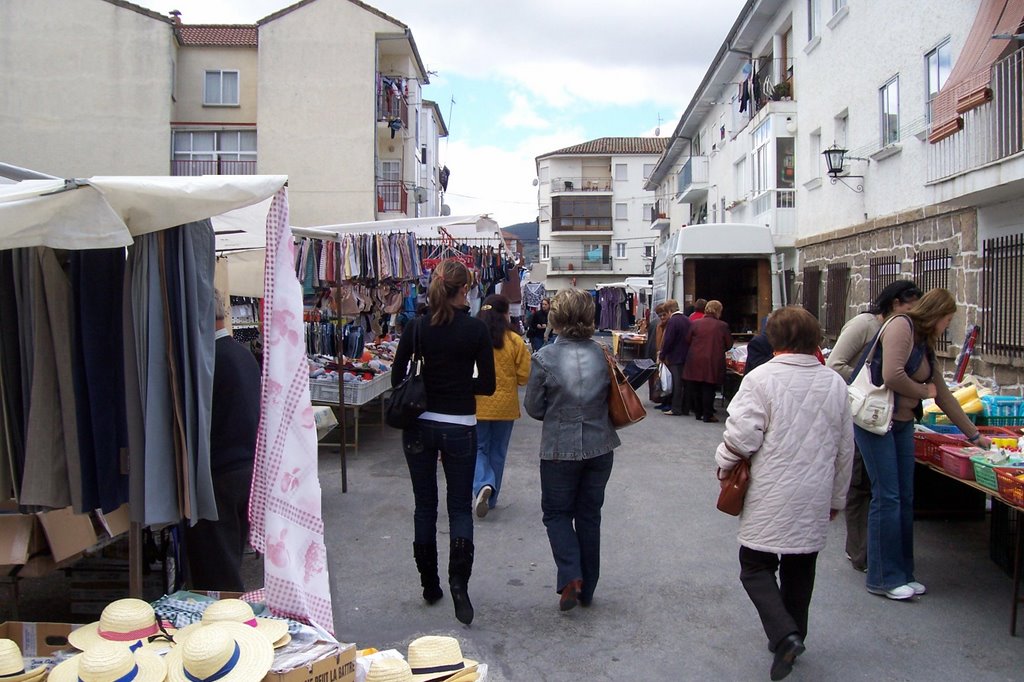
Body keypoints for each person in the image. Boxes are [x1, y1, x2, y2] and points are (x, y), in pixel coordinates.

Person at [715, 306, 854, 681]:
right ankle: (792, 635)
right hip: (815, 487)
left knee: (755, 564)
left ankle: (784, 634)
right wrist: (837, 499)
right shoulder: (835, 384)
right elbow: (845, 449)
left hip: (770, 485)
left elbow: (743, 436)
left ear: (774, 338)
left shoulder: (761, 378)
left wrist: (724, 462)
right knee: (800, 565)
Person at [853, 288, 991, 601]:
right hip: (877, 423)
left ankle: (903, 572)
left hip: (901, 424)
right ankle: (881, 577)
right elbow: (892, 375)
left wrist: (973, 435)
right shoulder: (902, 326)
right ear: (937, 314)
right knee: (886, 497)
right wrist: (922, 391)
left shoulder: (924, 340)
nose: (948, 326)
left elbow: (942, 392)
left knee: (904, 497)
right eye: (948, 319)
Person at [391, 259, 496, 624]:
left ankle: (429, 583)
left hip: (419, 425)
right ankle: (458, 585)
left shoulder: (417, 328)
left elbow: (396, 377)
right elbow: (487, 385)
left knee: (424, 506)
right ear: (463, 289)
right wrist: (457, 386)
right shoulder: (476, 331)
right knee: (460, 509)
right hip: (460, 426)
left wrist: (429, 386)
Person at [524, 289, 620, 611]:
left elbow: (535, 408)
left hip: (558, 449)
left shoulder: (544, 358)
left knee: (556, 514)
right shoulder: (603, 353)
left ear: (556, 317)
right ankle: (587, 589)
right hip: (600, 446)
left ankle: (570, 575)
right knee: (589, 517)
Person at [827, 280, 922, 573]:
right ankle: (859, 550)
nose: (914, 314)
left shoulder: (906, 331)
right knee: (860, 483)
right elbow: (834, 364)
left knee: (879, 488)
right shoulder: (864, 326)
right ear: (895, 303)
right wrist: (871, 380)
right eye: (910, 307)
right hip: (863, 413)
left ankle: (873, 550)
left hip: (889, 417)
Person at [185, 291, 261, 593]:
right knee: (229, 556)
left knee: (218, 567)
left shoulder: (208, 361)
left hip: (219, 473)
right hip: (245, 468)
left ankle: (228, 625)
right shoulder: (243, 355)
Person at [473, 294, 531, 519]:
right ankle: (492, 497)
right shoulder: (514, 340)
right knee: (498, 452)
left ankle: (482, 485)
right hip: (506, 406)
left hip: (477, 403)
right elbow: (524, 376)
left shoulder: (474, 337)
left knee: (479, 449)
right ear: (505, 314)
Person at [683, 299, 733, 422]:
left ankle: (698, 413)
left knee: (697, 387)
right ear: (718, 311)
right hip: (712, 360)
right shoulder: (722, 326)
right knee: (709, 388)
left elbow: (688, 339)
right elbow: (729, 344)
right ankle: (708, 414)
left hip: (695, 359)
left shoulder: (695, 324)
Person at [658, 299, 692, 415]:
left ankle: (676, 408)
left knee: (676, 384)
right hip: (686, 355)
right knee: (684, 383)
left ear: (669, 311)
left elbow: (668, 340)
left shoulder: (673, 322)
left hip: (675, 356)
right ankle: (685, 407)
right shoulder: (687, 320)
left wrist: (662, 354)